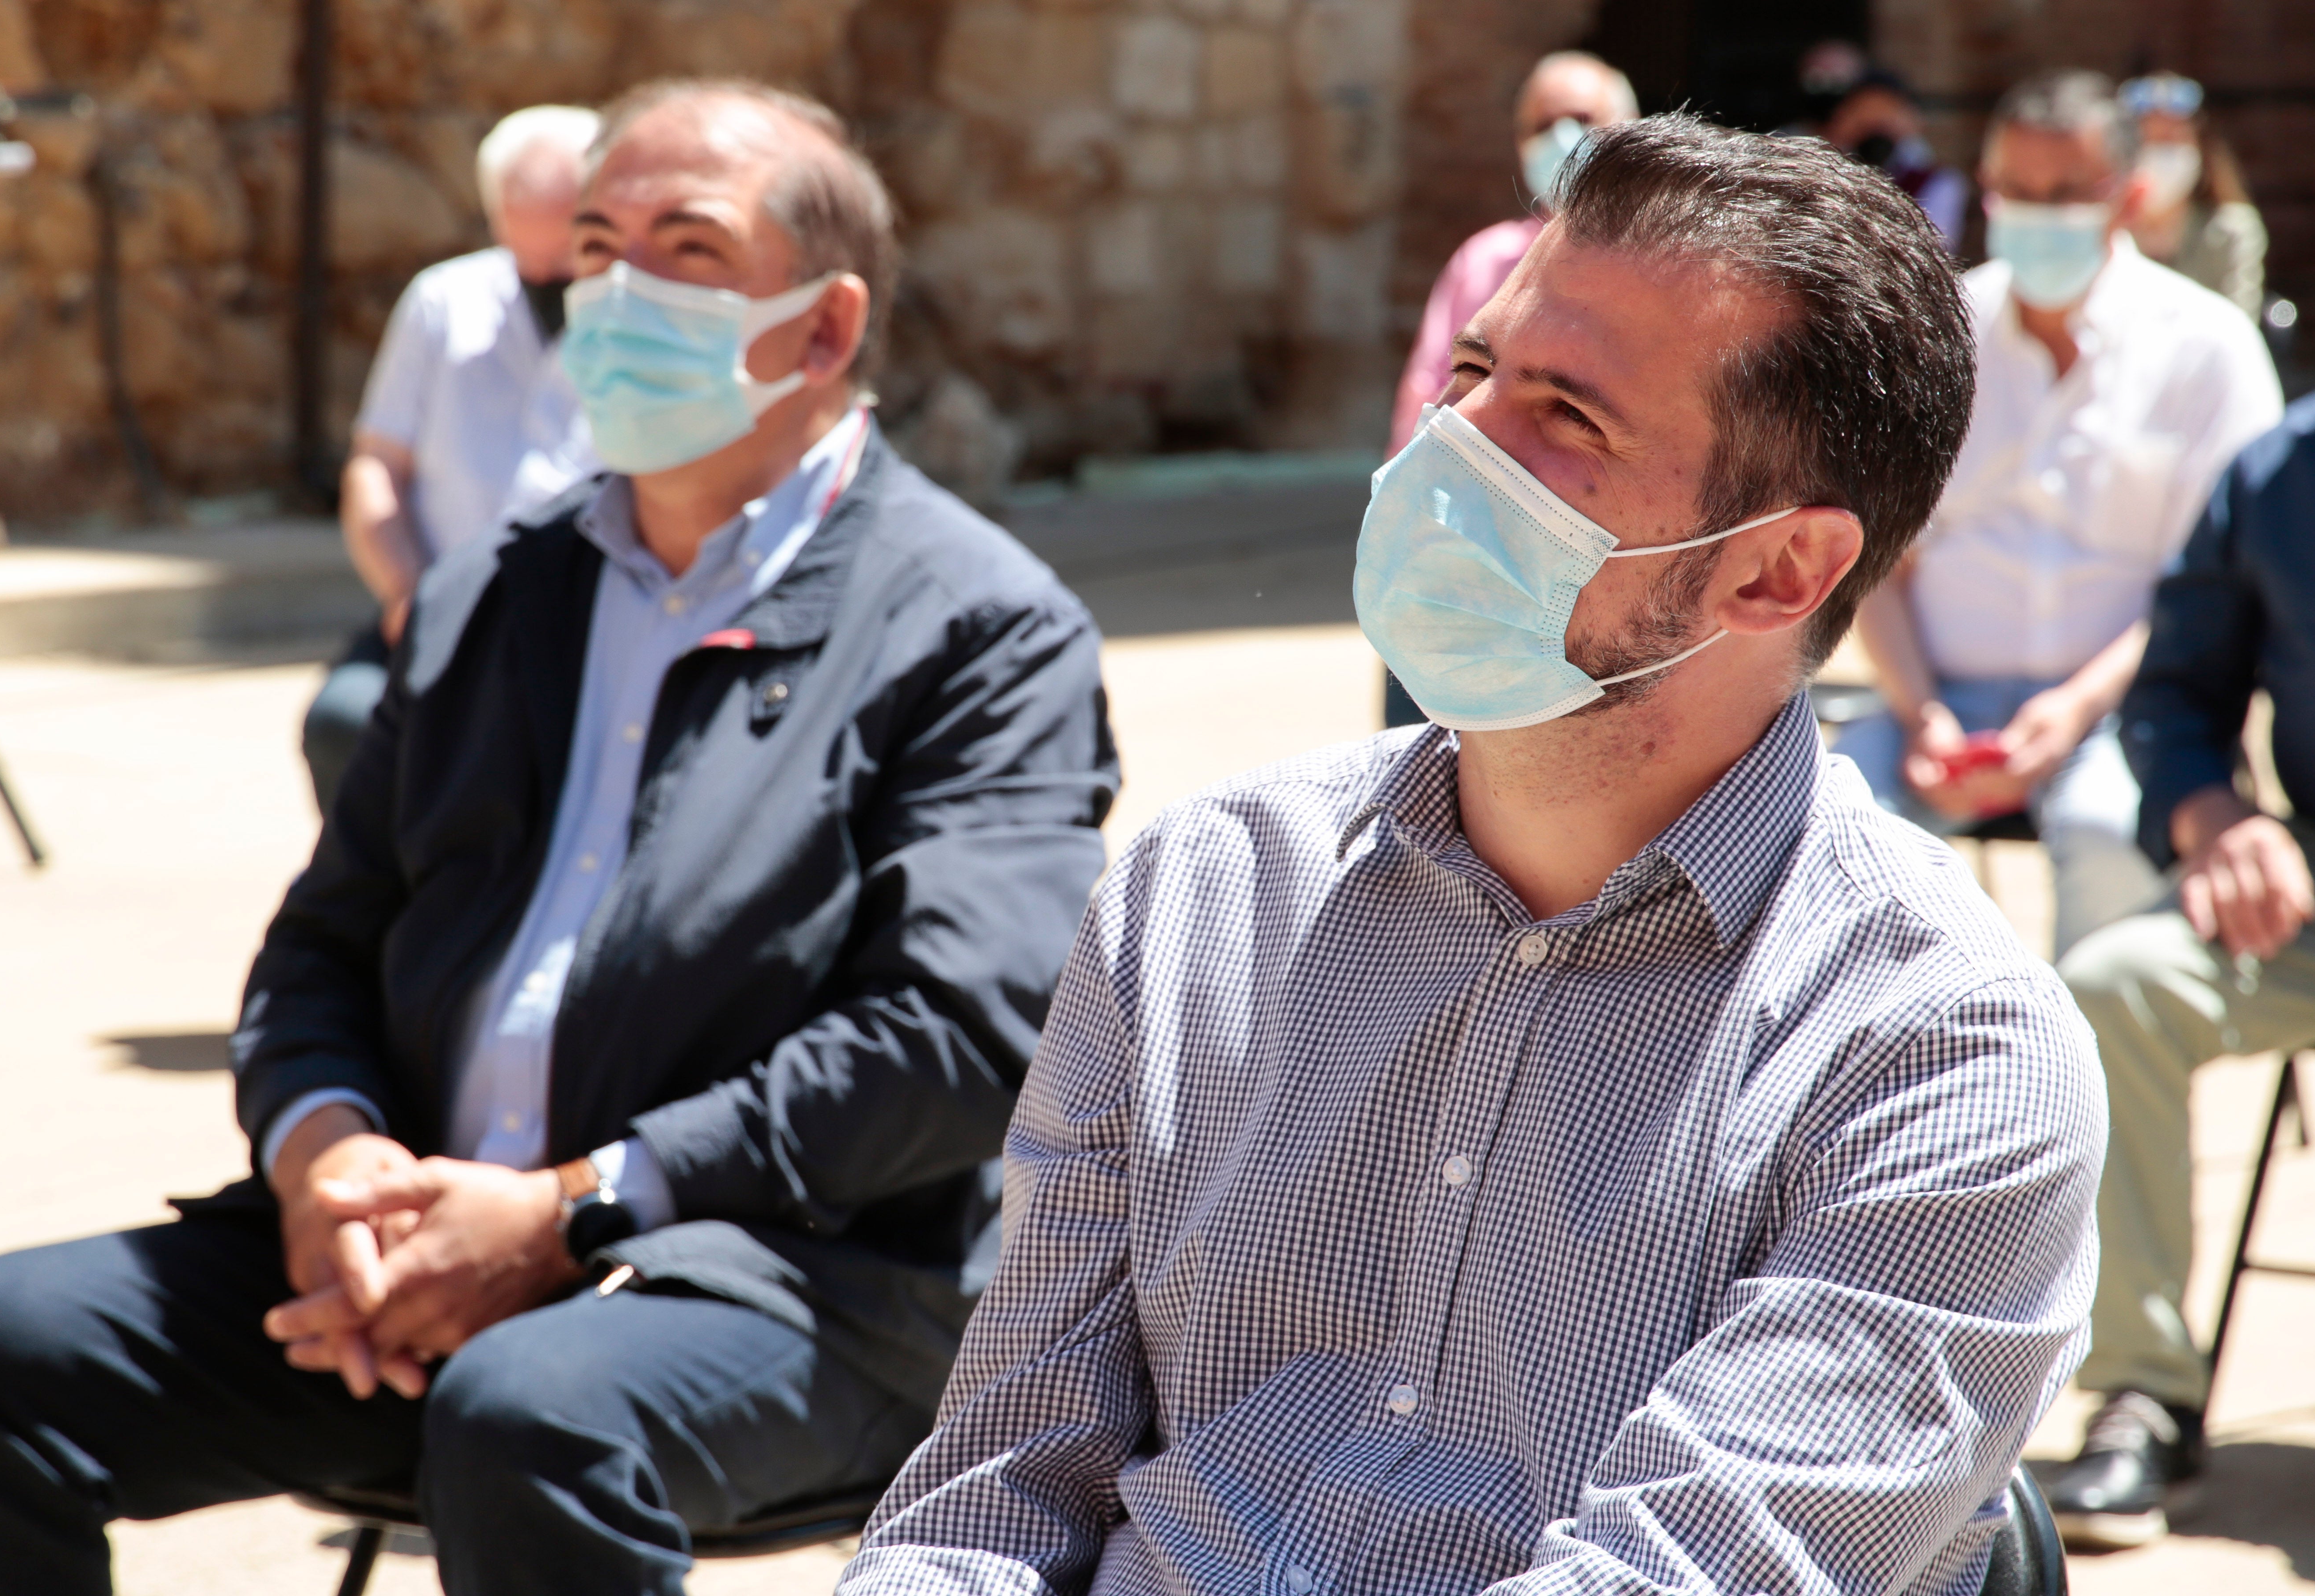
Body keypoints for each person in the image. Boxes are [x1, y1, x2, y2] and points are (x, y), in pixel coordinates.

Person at [841, 116, 2103, 1596]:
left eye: (1565, 415)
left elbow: (1667, 1575)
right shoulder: (1201, 891)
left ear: (1779, 567)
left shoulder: (1942, 1056)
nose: (1453, 450)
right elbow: (992, 1498)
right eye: (1470, 375)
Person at [0, 78, 1119, 1596]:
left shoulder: (980, 627)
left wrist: (570, 1210)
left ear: (821, 333)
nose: (615, 295)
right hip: (414, 1241)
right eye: (597, 247)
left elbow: (958, 1035)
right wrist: (329, 1163)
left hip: (789, 1274)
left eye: (684, 249)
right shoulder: (499, 583)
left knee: (531, 1411)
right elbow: (322, 940)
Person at [1840, 69, 2281, 960]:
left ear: (2130, 196)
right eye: (2018, 192)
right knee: (1826, 826)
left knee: (2111, 833)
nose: (2038, 215)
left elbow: (2217, 591)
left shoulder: (2206, 349)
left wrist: (2076, 710)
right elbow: (1872, 561)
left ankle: (2096, 1095)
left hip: (2127, 711)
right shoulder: (1939, 334)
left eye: (2065, 194)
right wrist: (1922, 711)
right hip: (1934, 699)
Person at [2047, 394, 2315, 1550]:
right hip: (2302, 902)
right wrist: (2213, 815)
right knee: (2114, 983)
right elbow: (2172, 697)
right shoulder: (2275, 469)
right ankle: (2143, 1394)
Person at [302, 103, 601, 814]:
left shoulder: (644, 319)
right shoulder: (445, 302)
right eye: (530, 265)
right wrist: (407, 590)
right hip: (446, 613)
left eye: (566, 266)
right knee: (345, 723)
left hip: (586, 629)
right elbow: (376, 465)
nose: (549, 289)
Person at [1385, 50, 1637, 455]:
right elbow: (1430, 387)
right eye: (1544, 125)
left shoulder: (1662, 266)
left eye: (1583, 119)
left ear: (1628, 130)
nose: (1563, 138)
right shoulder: (1484, 260)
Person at [2121, 72, 2267, 318]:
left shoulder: (2231, 230)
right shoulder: (2101, 229)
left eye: (2172, 141)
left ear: (2200, 147)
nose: (2160, 155)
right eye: (2149, 141)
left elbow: (2236, 322)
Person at [1824, 66, 1969, 245]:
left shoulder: (1938, 182)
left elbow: (1933, 248)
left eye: (1885, 120)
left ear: (1912, 120)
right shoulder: (1828, 175)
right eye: (1863, 119)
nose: (1874, 129)